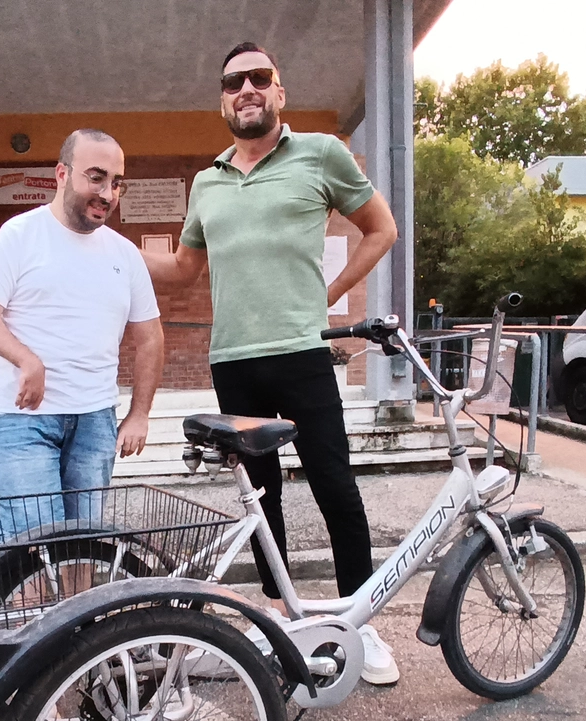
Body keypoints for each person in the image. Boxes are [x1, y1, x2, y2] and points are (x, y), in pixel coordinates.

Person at [141, 43, 400, 685]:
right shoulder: (207, 181)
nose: (247, 88)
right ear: (223, 99)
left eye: (261, 78)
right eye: (234, 81)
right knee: (262, 496)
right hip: (235, 361)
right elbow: (183, 270)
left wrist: (330, 297)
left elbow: (381, 229)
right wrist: (110, 251)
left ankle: (358, 624)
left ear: (279, 92)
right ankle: (285, 615)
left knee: (334, 485)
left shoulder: (320, 154)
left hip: (302, 354)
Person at [0, 129, 164, 541]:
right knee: (31, 547)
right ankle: (38, 611)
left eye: (116, 183)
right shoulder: (20, 235)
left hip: (95, 419)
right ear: (61, 173)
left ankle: (78, 608)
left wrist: (139, 413)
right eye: (96, 177)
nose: (107, 193)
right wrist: (27, 359)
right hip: (23, 419)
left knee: (84, 545)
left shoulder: (124, 254)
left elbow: (149, 337)